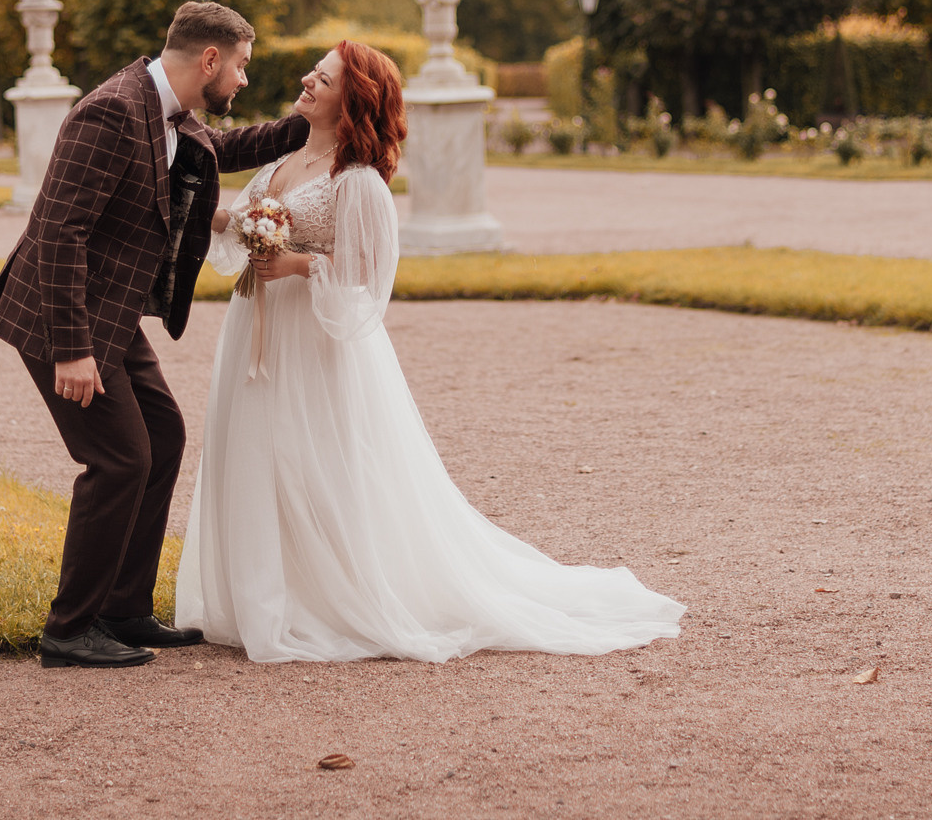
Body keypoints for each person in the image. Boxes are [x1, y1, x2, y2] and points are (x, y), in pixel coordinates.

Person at [177, 40, 684, 661]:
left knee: (317, 460)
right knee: (257, 451)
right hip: (256, 329)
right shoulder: (286, 157)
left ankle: (328, 594)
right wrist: (197, 211)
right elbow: (248, 219)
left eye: (325, 78)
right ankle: (267, 589)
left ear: (353, 99)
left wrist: (296, 264)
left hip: (313, 343)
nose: (308, 79)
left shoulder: (358, 183)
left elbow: (367, 278)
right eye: (316, 73)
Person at [0, 2, 308, 668]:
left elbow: (232, 147)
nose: (243, 80)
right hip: (59, 311)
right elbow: (59, 231)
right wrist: (72, 348)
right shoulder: (112, 111)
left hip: (111, 309)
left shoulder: (171, 114)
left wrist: (313, 120)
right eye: (241, 65)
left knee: (162, 436)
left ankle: (124, 607)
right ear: (209, 59)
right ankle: (70, 628)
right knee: (120, 457)